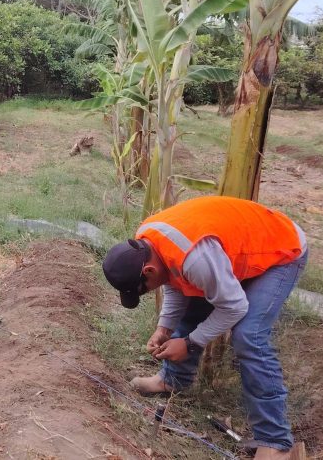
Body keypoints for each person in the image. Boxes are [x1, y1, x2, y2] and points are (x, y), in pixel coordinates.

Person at [101, 195, 308, 459]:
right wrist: (164, 328)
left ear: (149, 271)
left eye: (142, 290)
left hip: (280, 250)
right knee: (194, 304)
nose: (147, 292)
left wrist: (189, 343)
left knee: (249, 336)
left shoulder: (195, 259)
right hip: (226, 250)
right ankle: (172, 380)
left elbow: (235, 307)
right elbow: (177, 284)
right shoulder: (147, 241)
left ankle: (276, 441)